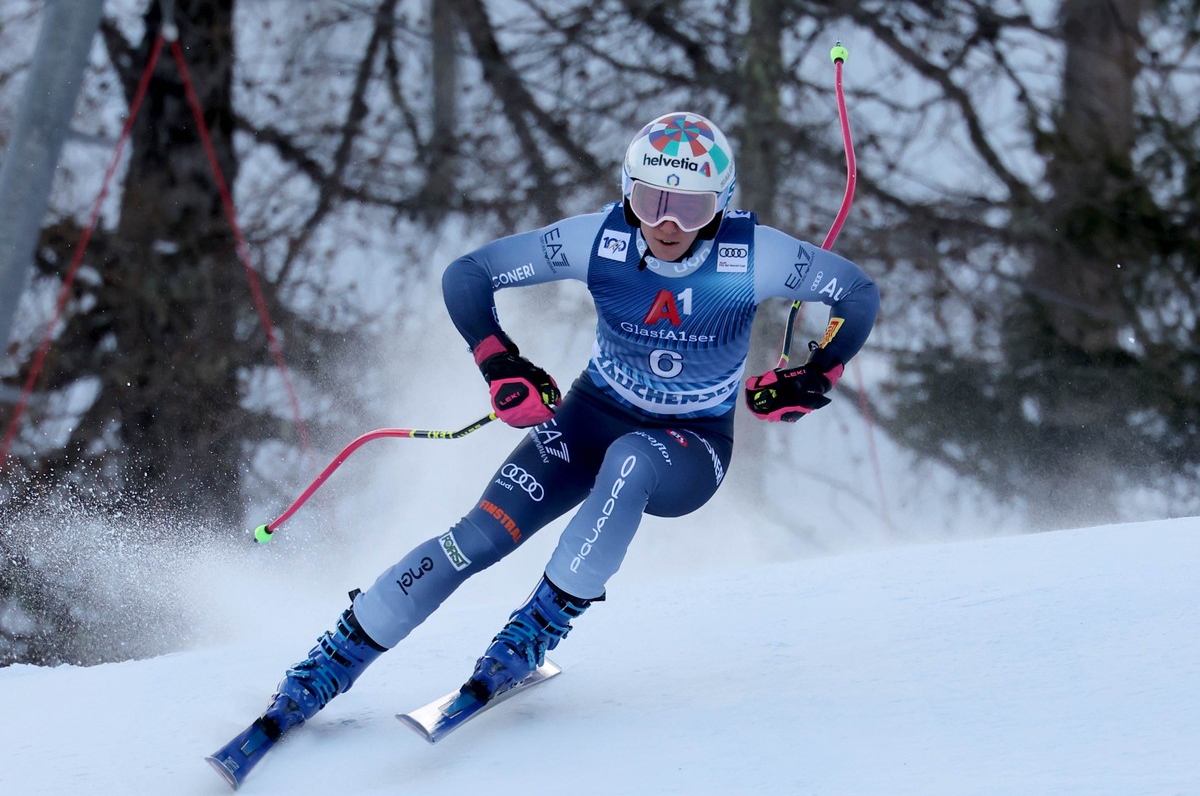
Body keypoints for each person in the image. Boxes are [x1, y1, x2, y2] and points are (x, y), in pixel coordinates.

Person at [251, 111, 878, 741]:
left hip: (689, 448)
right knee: (477, 537)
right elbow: (468, 275)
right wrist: (500, 362)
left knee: (632, 459)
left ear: (720, 206)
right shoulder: (597, 239)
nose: (666, 224)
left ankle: (536, 628)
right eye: (650, 199)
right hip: (588, 418)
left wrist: (816, 373)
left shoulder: (755, 255)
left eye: (689, 209)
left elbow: (856, 294)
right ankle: (332, 660)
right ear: (626, 190)